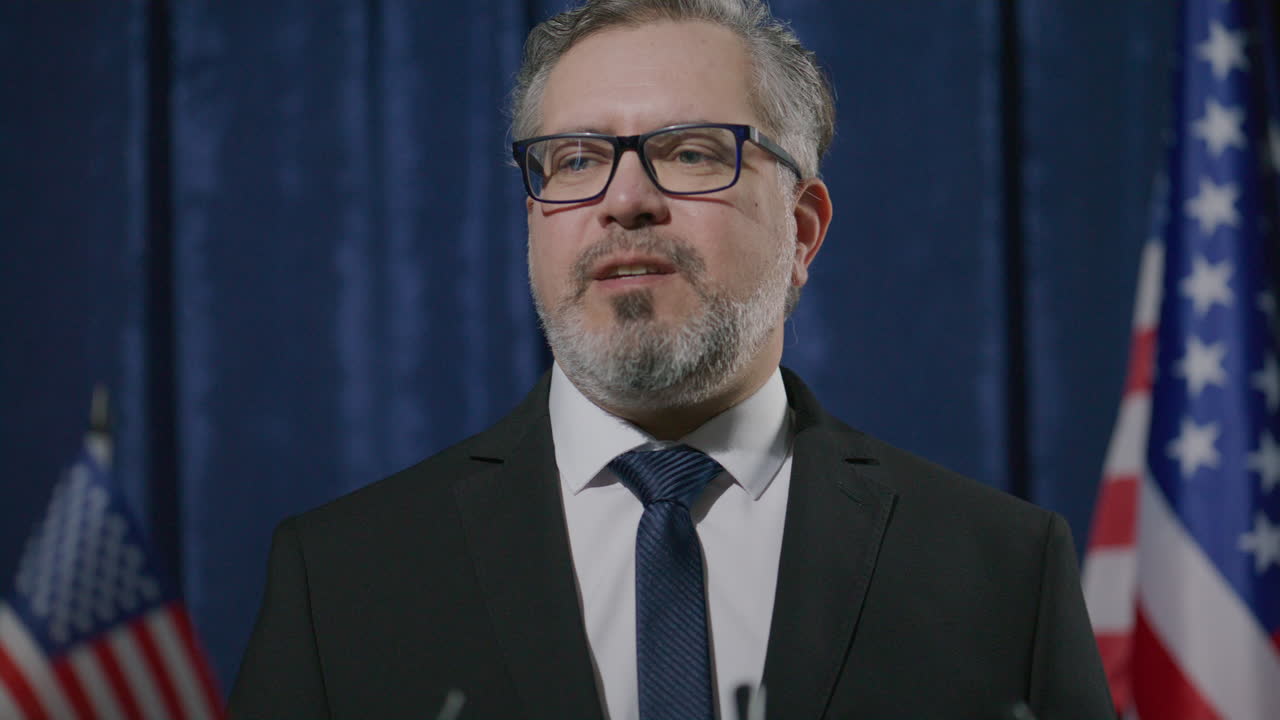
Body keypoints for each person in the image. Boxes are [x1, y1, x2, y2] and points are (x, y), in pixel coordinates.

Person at [229, 1, 1113, 719]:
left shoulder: (1001, 571)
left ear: (801, 230)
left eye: (689, 152)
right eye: (574, 160)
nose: (624, 200)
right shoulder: (340, 579)